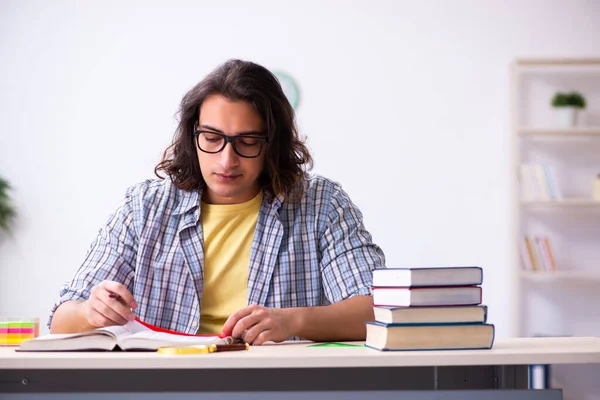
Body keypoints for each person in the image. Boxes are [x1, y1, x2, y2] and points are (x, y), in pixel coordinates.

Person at [49, 59, 386, 345]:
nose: (227, 161)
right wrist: (90, 313)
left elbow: (378, 308)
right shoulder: (144, 208)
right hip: (164, 385)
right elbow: (62, 320)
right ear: (192, 135)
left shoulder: (321, 204)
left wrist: (292, 322)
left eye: (247, 142)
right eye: (212, 139)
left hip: (278, 385)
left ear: (272, 144)